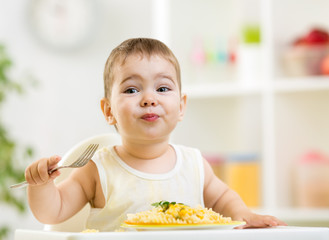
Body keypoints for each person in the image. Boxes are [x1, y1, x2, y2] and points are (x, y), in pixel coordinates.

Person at [25, 38, 287, 231]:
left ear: (181, 106)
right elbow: (54, 211)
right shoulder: (97, 169)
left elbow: (223, 198)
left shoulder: (194, 165)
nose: (149, 99)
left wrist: (244, 214)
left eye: (162, 88)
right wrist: (41, 186)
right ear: (108, 111)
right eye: (131, 90)